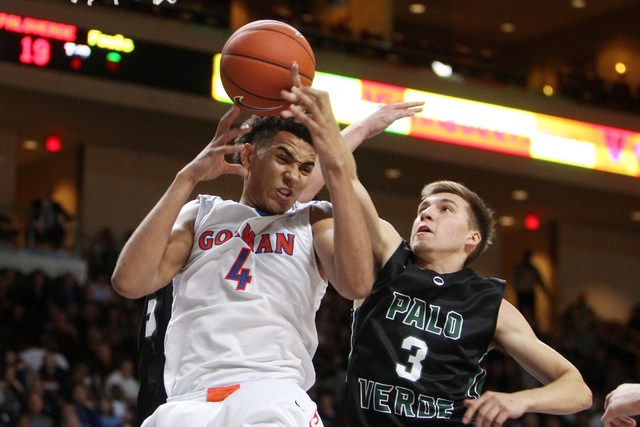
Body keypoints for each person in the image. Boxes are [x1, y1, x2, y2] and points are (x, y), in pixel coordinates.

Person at [111, 63, 388, 426]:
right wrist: (187, 178)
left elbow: (357, 284)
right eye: (283, 158)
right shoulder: (202, 212)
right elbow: (129, 281)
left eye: (306, 168)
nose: (294, 175)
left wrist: (336, 159)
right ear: (246, 156)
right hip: (189, 402)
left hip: (270, 394)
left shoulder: (314, 218)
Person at [338, 179, 592, 426]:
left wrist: (521, 401)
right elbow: (343, 175)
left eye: (445, 208)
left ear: (472, 237)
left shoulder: (489, 305)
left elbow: (578, 390)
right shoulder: (387, 258)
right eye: (422, 209)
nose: (426, 214)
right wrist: (359, 133)